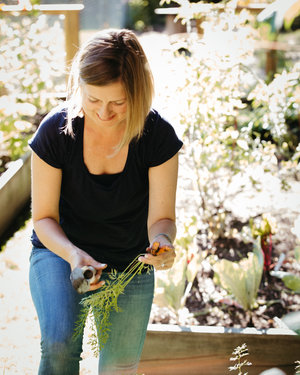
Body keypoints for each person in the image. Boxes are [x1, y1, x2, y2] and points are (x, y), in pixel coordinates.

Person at [29, 28, 183, 375]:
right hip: (60, 252)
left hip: (129, 261)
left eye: (118, 102)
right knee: (58, 347)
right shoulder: (55, 132)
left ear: (138, 92)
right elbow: (43, 218)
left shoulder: (157, 136)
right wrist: (73, 256)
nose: (104, 113)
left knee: (120, 366)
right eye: (93, 99)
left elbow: (162, 219)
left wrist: (162, 241)